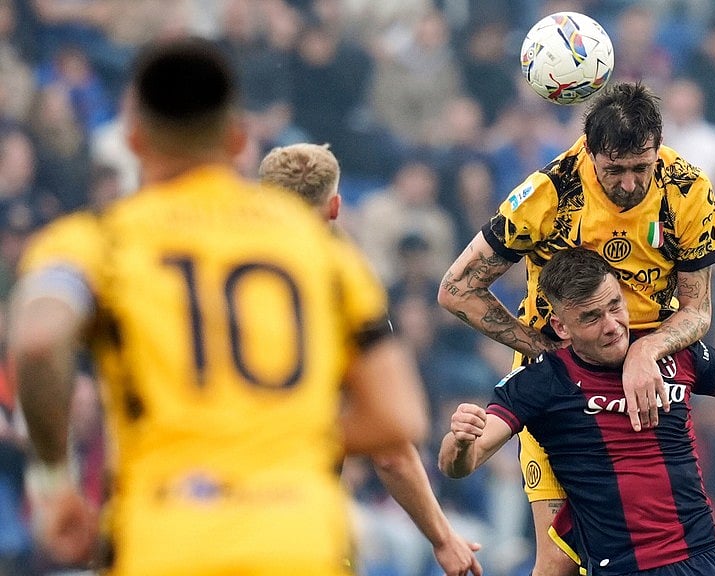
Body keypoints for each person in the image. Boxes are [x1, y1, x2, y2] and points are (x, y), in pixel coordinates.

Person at [7, 38, 428, 576]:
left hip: (166, 537)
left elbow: (39, 340)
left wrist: (53, 482)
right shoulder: (321, 250)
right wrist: (273, 436)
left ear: (134, 140)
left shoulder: (99, 241)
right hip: (298, 540)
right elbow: (399, 416)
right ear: (236, 141)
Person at [438, 247, 715, 575]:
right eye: (591, 317)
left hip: (704, 558)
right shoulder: (539, 383)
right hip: (625, 566)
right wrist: (459, 442)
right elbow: (462, 463)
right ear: (561, 327)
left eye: (614, 306)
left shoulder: (670, 351)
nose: (612, 325)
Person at [437, 82, 715, 574]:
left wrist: (644, 352)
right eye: (615, 170)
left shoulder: (687, 188)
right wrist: (548, 352)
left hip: (650, 377)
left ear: (658, 148)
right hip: (560, 389)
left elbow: (697, 311)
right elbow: (456, 288)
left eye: (642, 168)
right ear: (589, 153)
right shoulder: (548, 193)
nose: (630, 184)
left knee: (657, 543)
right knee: (557, 560)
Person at [258, 142, 482, 576]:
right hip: (296, 533)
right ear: (335, 206)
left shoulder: (200, 283)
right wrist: (443, 537)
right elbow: (391, 448)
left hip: (191, 528)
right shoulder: (345, 292)